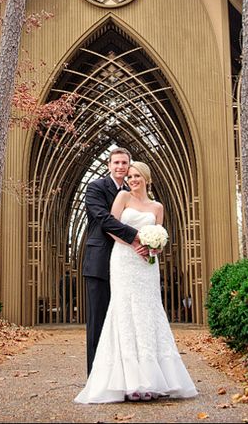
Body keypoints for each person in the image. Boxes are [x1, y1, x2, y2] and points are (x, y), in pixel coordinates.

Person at [75, 161, 198, 404]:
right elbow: (111, 228)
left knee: (148, 313)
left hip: (147, 265)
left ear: (146, 178)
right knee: (124, 312)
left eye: (137, 175)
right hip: (123, 259)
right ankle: (128, 380)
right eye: (129, 175)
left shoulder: (157, 206)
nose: (132, 179)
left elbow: (161, 237)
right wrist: (134, 244)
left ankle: (153, 377)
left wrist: (153, 249)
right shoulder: (122, 197)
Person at [82, 147, 147, 375]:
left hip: (127, 264)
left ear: (130, 166)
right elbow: (103, 219)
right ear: (108, 165)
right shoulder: (95, 188)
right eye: (116, 162)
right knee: (98, 321)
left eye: (124, 163)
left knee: (126, 321)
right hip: (100, 261)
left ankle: (123, 375)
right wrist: (136, 236)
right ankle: (96, 376)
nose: (120, 167)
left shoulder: (134, 191)